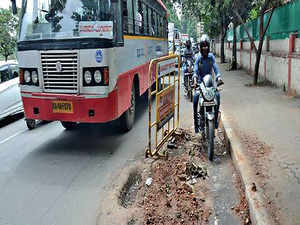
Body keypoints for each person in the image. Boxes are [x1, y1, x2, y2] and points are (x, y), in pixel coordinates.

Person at [192, 37, 223, 133]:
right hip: (201, 83)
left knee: (217, 96)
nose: (205, 48)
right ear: (200, 48)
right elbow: (195, 70)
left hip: (210, 83)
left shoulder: (211, 57)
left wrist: (218, 77)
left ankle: (216, 122)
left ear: (208, 47)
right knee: (195, 98)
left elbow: (215, 67)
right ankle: (196, 124)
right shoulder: (198, 58)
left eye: (206, 46)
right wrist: (195, 78)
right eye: (203, 46)